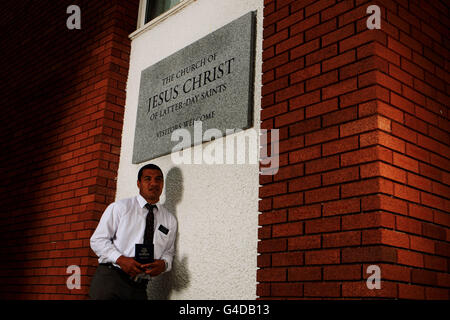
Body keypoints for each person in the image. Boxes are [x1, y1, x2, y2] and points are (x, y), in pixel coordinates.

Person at [89, 164, 177, 300]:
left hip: (140, 287)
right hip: (111, 280)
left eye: (158, 179)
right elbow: (97, 240)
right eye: (148, 179)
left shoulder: (169, 219)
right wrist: (120, 259)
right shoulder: (120, 208)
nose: (154, 183)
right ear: (138, 183)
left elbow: (169, 252)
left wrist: (164, 264)